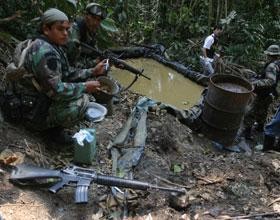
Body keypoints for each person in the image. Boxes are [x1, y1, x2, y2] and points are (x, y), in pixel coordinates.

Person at [4, 8, 106, 141]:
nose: (65, 34)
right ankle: (48, 129)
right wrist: (85, 87)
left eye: (66, 29)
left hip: (29, 100)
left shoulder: (48, 44)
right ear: (46, 29)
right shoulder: (46, 53)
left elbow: (67, 72)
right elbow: (56, 91)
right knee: (82, 102)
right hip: (30, 111)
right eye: (60, 29)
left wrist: (92, 71)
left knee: (79, 93)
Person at [243, 44, 280, 140]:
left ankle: (247, 134)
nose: (266, 56)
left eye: (268, 55)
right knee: (262, 111)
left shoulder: (271, 66)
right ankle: (259, 129)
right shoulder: (276, 64)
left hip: (264, 93)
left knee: (249, 112)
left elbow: (270, 81)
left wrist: (255, 84)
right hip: (270, 93)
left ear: (271, 55)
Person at [66, 2, 107, 67]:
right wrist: (95, 62)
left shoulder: (91, 30)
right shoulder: (75, 31)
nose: (95, 22)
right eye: (93, 18)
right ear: (85, 15)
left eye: (98, 20)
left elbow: (94, 52)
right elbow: (71, 64)